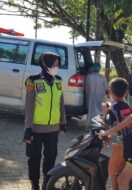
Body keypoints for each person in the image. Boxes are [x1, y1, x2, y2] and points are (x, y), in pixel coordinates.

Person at [23, 52, 67, 190]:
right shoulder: (33, 80)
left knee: (51, 158)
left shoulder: (59, 80)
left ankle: (47, 183)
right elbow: (29, 106)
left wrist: (63, 122)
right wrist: (28, 128)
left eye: (57, 65)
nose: (56, 67)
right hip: (35, 128)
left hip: (53, 129)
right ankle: (34, 184)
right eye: (54, 65)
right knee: (34, 158)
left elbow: (61, 103)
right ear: (45, 64)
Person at [101, 78, 132, 190]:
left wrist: (104, 112)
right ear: (125, 92)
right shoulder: (127, 106)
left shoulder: (112, 108)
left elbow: (107, 123)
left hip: (120, 146)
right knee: (123, 171)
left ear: (110, 91)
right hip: (131, 142)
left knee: (113, 171)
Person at [85, 62, 108, 126]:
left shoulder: (88, 77)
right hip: (99, 98)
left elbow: (85, 86)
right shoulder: (102, 78)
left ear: (93, 68)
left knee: (90, 110)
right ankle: (97, 125)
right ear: (99, 69)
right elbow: (106, 88)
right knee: (99, 111)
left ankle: (89, 125)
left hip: (89, 97)